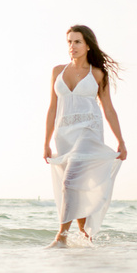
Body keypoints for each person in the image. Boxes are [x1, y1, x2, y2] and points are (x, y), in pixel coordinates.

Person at [44, 25, 126, 247]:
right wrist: (46, 142)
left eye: (77, 42)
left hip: (88, 133)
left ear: (88, 45)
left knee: (69, 182)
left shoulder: (98, 73)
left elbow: (108, 109)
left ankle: (61, 236)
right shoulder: (57, 71)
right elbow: (52, 109)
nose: (73, 46)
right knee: (75, 183)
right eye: (69, 42)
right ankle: (85, 235)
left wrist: (120, 140)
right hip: (64, 134)